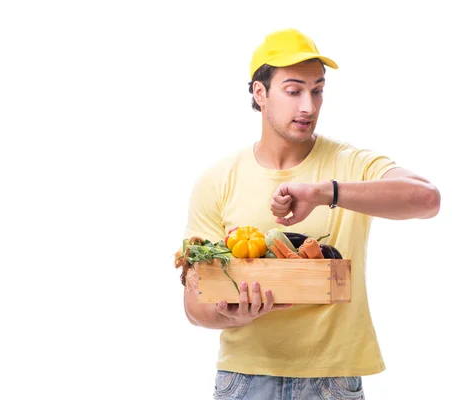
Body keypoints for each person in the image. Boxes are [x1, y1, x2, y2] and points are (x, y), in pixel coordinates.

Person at [180, 28, 440, 400]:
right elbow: (194, 305)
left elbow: (427, 200)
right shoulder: (218, 179)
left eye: (317, 90)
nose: (308, 106)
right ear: (260, 92)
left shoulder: (350, 164)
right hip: (246, 379)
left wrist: (324, 192)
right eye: (293, 90)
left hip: (333, 381)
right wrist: (235, 315)